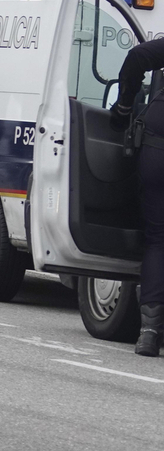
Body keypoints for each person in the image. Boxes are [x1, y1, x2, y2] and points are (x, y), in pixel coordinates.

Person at [110, 39, 164, 356]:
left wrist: (124, 107)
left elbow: (136, 57)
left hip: (156, 145)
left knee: (158, 238)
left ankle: (149, 332)